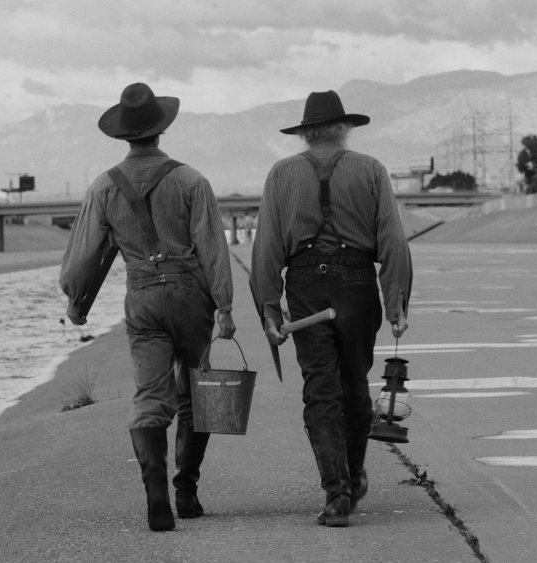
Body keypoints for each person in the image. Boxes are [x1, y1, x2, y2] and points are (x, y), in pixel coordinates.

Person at [59, 82, 235, 532]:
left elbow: (83, 255)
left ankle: (155, 491)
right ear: (161, 131)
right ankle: (186, 491)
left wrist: (76, 300)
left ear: (124, 135)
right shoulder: (191, 180)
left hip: (141, 297)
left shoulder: (103, 186)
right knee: (197, 390)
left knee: (150, 395)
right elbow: (212, 248)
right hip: (190, 296)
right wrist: (225, 306)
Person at [249, 90, 412, 527]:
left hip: (305, 285)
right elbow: (392, 239)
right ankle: (353, 480)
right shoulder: (371, 169)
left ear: (305, 133)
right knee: (354, 383)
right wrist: (395, 302)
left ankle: (337, 494)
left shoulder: (281, 174)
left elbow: (266, 247)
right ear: (343, 129)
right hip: (357, 283)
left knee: (320, 388)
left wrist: (269, 308)